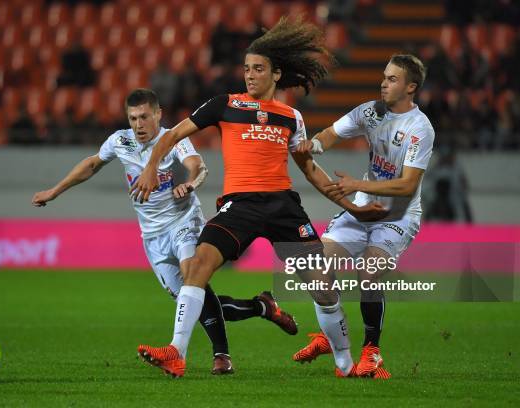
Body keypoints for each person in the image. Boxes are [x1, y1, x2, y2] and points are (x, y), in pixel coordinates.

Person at [130, 17, 386, 378]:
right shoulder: (224, 104)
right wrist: (150, 167)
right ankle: (177, 351)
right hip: (240, 205)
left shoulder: (290, 118)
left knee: (323, 287)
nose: (250, 75)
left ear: (276, 74)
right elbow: (171, 136)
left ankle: (345, 365)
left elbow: (310, 169)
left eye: (258, 69)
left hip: (282, 205)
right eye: (247, 69)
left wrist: (351, 208)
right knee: (200, 264)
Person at [31, 88, 298, 375]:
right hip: (152, 237)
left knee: (191, 280)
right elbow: (93, 163)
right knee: (194, 303)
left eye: (145, 116)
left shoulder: (173, 139)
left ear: (158, 114)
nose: (138, 124)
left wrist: (190, 185)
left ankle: (219, 356)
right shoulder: (120, 141)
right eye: (133, 117)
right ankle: (262, 307)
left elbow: (198, 166)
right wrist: (55, 191)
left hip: (183, 222)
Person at [292, 54, 435, 379]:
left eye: (393, 79)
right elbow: (330, 134)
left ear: (411, 87)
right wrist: (312, 145)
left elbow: (408, 185)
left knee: (368, 275)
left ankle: (372, 352)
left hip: (397, 217)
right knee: (317, 266)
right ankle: (330, 337)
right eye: (384, 76)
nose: (384, 83)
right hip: (361, 210)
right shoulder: (370, 112)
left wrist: (357, 183)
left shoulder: (420, 129)